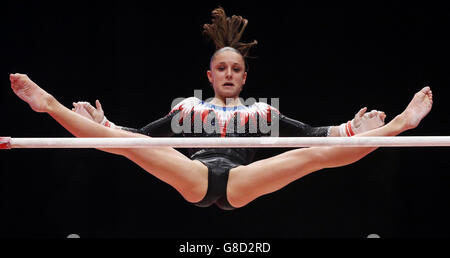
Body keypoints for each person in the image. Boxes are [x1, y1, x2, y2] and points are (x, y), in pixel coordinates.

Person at [9, 7, 432, 210]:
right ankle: (48, 105)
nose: (229, 74)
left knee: (314, 156)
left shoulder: (262, 113)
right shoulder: (188, 109)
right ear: (209, 75)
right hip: (195, 176)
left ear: (244, 77)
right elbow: (138, 138)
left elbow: (319, 137)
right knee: (125, 145)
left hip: (241, 181)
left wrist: (351, 129)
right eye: (221, 68)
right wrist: (107, 125)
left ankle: (400, 124)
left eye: (236, 69)